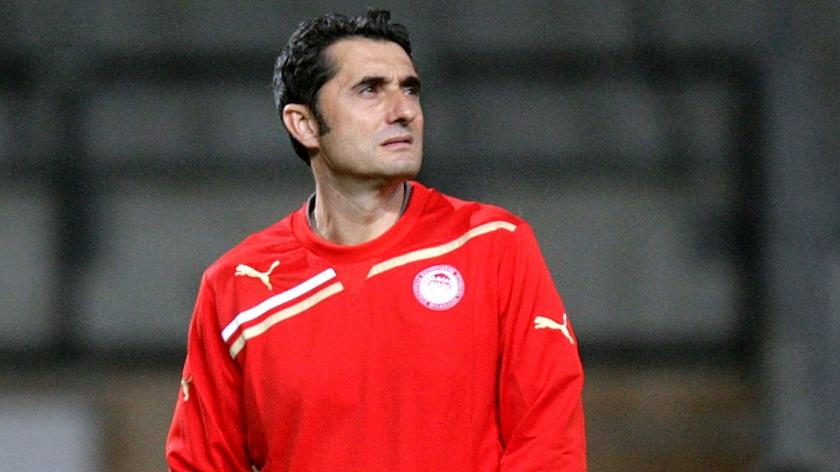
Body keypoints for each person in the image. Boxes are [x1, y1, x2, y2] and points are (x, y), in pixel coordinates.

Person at [166, 8, 586, 471]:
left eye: (410, 89)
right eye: (370, 89)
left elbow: (549, 442)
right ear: (304, 124)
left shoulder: (493, 245)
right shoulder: (236, 288)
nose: (404, 110)